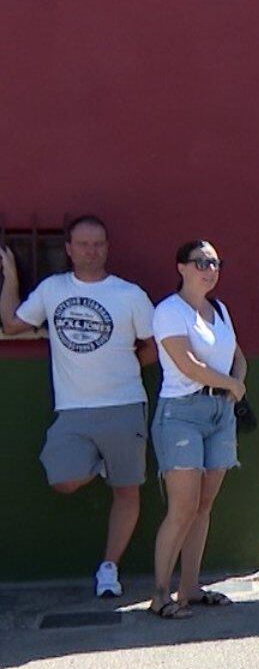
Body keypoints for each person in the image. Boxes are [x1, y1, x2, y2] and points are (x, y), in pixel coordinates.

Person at [0, 216, 156, 597]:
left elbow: (155, 345)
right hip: (73, 409)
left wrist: (129, 367)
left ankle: (109, 568)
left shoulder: (129, 294)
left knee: (126, 491)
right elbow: (12, 323)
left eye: (98, 244)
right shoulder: (53, 290)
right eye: (83, 244)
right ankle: (98, 462)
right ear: (68, 249)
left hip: (125, 404)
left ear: (107, 247)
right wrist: (11, 277)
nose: (91, 251)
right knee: (63, 479)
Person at [147, 241, 246, 619]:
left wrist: (236, 385)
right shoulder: (170, 311)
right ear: (182, 267)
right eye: (201, 262)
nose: (210, 269)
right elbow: (187, 365)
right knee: (183, 506)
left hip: (221, 411)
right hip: (181, 413)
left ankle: (190, 586)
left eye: (216, 263)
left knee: (204, 504)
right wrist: (231, 384)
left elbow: (237, 356)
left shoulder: (219, 310)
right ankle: (160, 595)